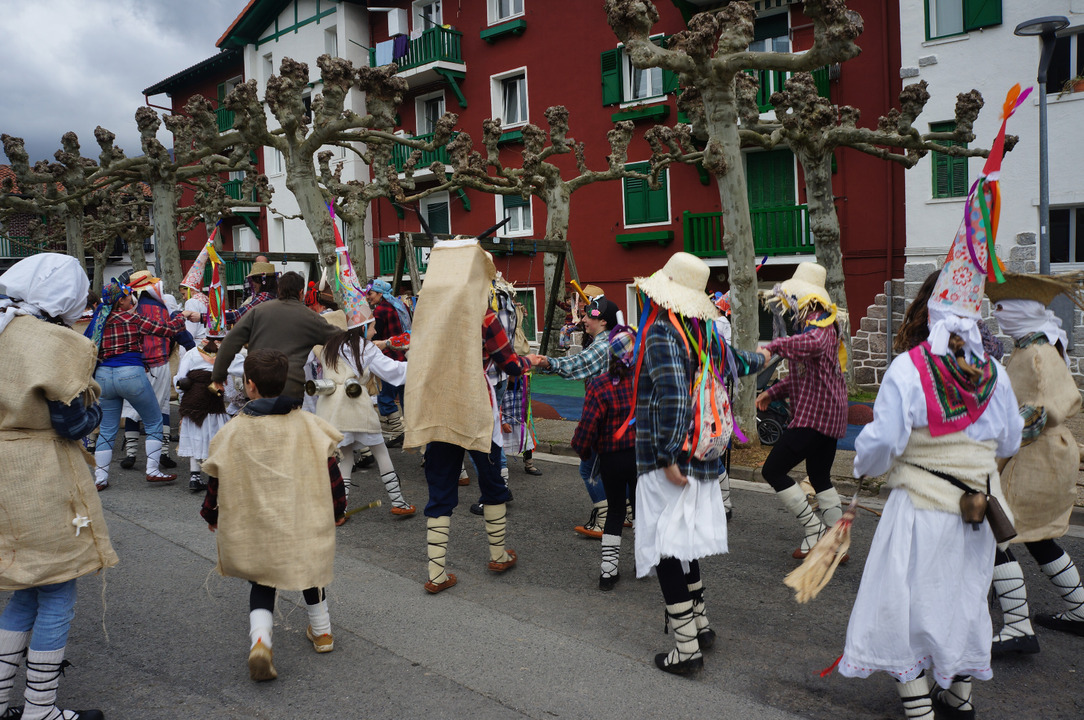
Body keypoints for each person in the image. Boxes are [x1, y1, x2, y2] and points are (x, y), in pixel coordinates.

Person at [838, 90, 1027, 719]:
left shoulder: (909, 368)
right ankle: (958, 696)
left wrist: (863, 469)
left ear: (934, 312)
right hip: (975, 508)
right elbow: (1009, 442)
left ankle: (920, 707)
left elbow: (882, 443)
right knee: (962, 601)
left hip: (920, 507)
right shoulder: (995, 373)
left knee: (901, 605)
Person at [632, 252, 764, 674]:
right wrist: (773, 353)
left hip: (668, 459)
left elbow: (672, 397)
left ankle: (686, 649)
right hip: (703, 456)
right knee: (684, 545)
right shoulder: (702, 330)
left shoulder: (661, 332)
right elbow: (739, 362)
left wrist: (667, 455)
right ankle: (700, 625)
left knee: (666, 550)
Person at [0, 253, 119, 720]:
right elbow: (71, 424)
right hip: (39, 473)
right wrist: (95, 408)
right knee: (57, 587)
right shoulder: (54, 342)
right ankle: (40, 709)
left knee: (26, 585)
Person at [200, 349, 346, 681]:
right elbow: (331, 473)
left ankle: (261, 643)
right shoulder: (309, 425)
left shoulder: (233, 431)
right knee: (310, 571)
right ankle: (322, 633)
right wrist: (338, 509)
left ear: (249, 385)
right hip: (303, 518)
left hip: (259, 525)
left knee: (262, 579)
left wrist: (211, 514)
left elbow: (217, 478)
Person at [404, 236, 530, 594]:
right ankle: (498, 554)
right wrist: (528, 362)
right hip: (476, 407)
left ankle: (436, 574)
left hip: (437, 407)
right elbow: (509, 363)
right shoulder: (483, 315)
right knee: (491, 482)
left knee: (440, 489)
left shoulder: (427, 311)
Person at [985, 273, 1084, 654]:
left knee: (995, 533)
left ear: (1021, 311)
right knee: (1040, 536)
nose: (997, 313)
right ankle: (1079, 609)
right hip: (1048, 455)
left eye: (1002, 307)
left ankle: (1017, 626)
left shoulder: (1034, 354)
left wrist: (992, 439)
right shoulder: (1039, 345)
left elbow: (1036, 414)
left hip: (1034, 457)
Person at [756, 262, 849, 559]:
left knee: (772, 470)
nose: (789, 305)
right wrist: (772, 392)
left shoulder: (820, 327)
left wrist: (774, 347)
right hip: (828, 415)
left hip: (816, 415)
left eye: (793, 299)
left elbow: (809, 345)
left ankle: (816, 531)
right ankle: (836, 543)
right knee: (819, 476)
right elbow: (802, 376)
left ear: (806, 300)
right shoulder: (815, 326)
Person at [307, 267, 415, 518]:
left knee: (346, 459)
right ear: (363, 327)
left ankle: (341, 508)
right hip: (357, 408)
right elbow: (393, 372)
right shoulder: (365, 348)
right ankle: (398, 502)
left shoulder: (329, 345)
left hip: (331, 410)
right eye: (373, 327)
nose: (375, 331)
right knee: (381, 451)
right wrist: (418, 362)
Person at [86, 281, 199, 489]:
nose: (132, 297)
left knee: (107, 430)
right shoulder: (133, 318)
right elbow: (168, 329)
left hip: (103, 377)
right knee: (154, 421)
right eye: (128, 294)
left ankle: (100, 478)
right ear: (121, 300)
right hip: (131, 374)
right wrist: (178, 315)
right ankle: (153, 470)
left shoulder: (99, 318)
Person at [529, 296, 625, 537]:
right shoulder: (620, 340)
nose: (582, 320)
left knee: (588, 469)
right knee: (614, 467)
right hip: (620, 417)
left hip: (602, 418)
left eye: (587, 316)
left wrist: (547, 362)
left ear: (603, 321)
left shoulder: (602, 346)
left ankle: (603, 517)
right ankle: (626, 512)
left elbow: (578, 363)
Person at [571, 328, 637, 591]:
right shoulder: (644, 381)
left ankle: (608, 572)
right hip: (641, 457)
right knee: (642, 511)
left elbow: (587, 427)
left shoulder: (599, 385)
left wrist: (583, 450)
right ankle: (644, 563)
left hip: (611, 459)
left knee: (616, 511)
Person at [211, 271, 339, 403]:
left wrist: (218, 375)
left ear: (279, 289)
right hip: (290, 388)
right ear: (301, 292)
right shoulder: (311, 318)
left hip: (256, 387)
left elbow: (230, 342)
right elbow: (340, 338)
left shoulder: (257, 311)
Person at [117, 270, 195, 472]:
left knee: (132, 408)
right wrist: (193, 349)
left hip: (134, 364)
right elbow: (179, 334)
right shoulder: (163, 307)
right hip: (159, 363)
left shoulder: (127, 310)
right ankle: (164, 452)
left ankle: (131, 454)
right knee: (161, 407)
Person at [174, 331, 230, 493]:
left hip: (192, 401)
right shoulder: (228, 354)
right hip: (214, 400)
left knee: (195, 435)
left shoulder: (192, 353)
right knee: (215, 437)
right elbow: (232, 383)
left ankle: (195, 477)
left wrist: (183, 396)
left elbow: (181, 379)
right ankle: (215, 477)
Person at [365, 278, 412, 447]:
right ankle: (412, 433)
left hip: (388, 357)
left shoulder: (380, 311)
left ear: (379, 293)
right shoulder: (400, 305)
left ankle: (398, 432)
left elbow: (375, 335)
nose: (368, 297)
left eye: (370, 293)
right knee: (407, 398)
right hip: (405, 355)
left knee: (385, 397)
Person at [225, 261, 278, 325]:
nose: (252, 283)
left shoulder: (263, 297)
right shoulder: (276, 295)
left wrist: (219, 317)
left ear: (263, 281)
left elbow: (237, 316)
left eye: (254, 280)